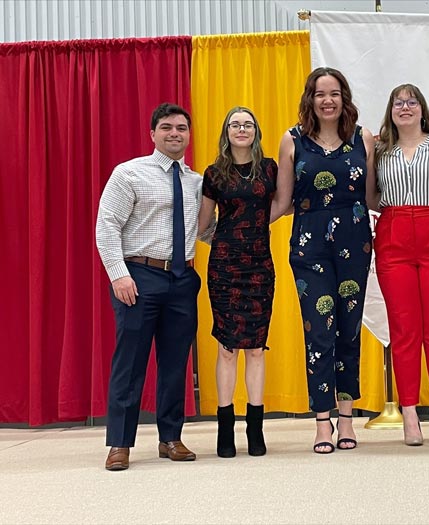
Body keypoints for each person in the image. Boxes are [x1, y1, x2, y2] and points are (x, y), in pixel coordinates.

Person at [271, 67, 375, 454]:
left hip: (355, 240)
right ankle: (321, 421)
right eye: (319, 94)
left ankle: (347, 418)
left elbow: (372, 198)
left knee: (348, 330)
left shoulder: (362, 137)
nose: (327, 100)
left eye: (334, 93)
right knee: (318, 333)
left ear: (344, 97)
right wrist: (238, 228)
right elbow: (282, 201)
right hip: (309, 246)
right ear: (309, 99)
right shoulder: (292, 140)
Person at [96, 103, 203, 471]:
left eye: (182, 128)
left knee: (175, 363)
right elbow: (107, 225)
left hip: (183, 279)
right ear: (153, 134)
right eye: (167, 127)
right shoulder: (129, 174)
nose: (175, 133)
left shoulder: (197, 182)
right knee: (130, 361)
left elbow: (204, 230)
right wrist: (117, 273)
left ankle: (170, 438)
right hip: (139, 277)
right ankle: (120, 444)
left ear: (189, 135)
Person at [371, 84, 429, 446]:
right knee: (405, 328)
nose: (405, 107)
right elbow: (371, 194)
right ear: (390, 109)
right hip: (394, 237)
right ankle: (409, 412)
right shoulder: (380, 149)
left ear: (423, 109)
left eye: (412, 101)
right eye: (398, 102)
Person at [198, 106, 278, 458]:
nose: (241, 129)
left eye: (247, 124)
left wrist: (256, 227)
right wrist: (229, 236)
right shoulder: (214, 173)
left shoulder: (270, 168)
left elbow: (283, 205)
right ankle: (225, 431)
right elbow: (202, 226)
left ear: (256, 131)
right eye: (235, 124)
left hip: (260, 266)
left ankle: (256, 430)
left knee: (257, 348)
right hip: (225, 268)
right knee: (227, 348)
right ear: (226, 131)